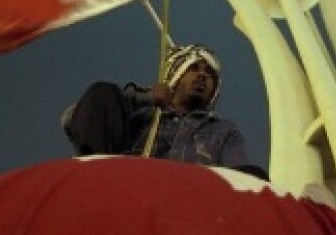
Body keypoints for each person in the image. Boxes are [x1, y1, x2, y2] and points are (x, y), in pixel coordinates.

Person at [61, 44, 268, 179]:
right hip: (126, 186)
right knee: (102, 90)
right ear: (176, 75)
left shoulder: (224, 131)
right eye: (194, 69)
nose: (203, 76)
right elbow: (74, 118)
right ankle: (93, 180)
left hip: (188, 203)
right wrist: (146, 98)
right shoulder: (140, 115)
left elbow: (239, 171)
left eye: (210, 74)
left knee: (254, 176)